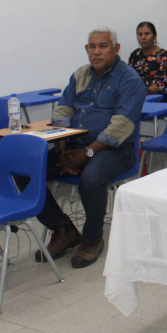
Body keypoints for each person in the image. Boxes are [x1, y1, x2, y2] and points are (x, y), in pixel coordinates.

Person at [35, 26, 146, 268]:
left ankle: (93, 239)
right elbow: (63, 110)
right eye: (92, 47)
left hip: (115, 151)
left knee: (91, 178)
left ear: (116, 48)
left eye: (103, 46)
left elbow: (120, 126)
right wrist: (62, 149)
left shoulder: (129, 80)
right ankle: (62, 228)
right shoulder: (80, 75)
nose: (96, 52)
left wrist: (85, 155)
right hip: (75, 146)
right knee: (26, 170)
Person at [127, 21, 167, 96]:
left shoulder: (164, 55)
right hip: (134, 93)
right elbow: (128, 76)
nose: (143, 37)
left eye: (147, 34)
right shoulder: (135, 54)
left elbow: (163, 83)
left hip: (154, 96)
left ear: (155, 36)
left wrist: (141, 93)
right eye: (140, 34)